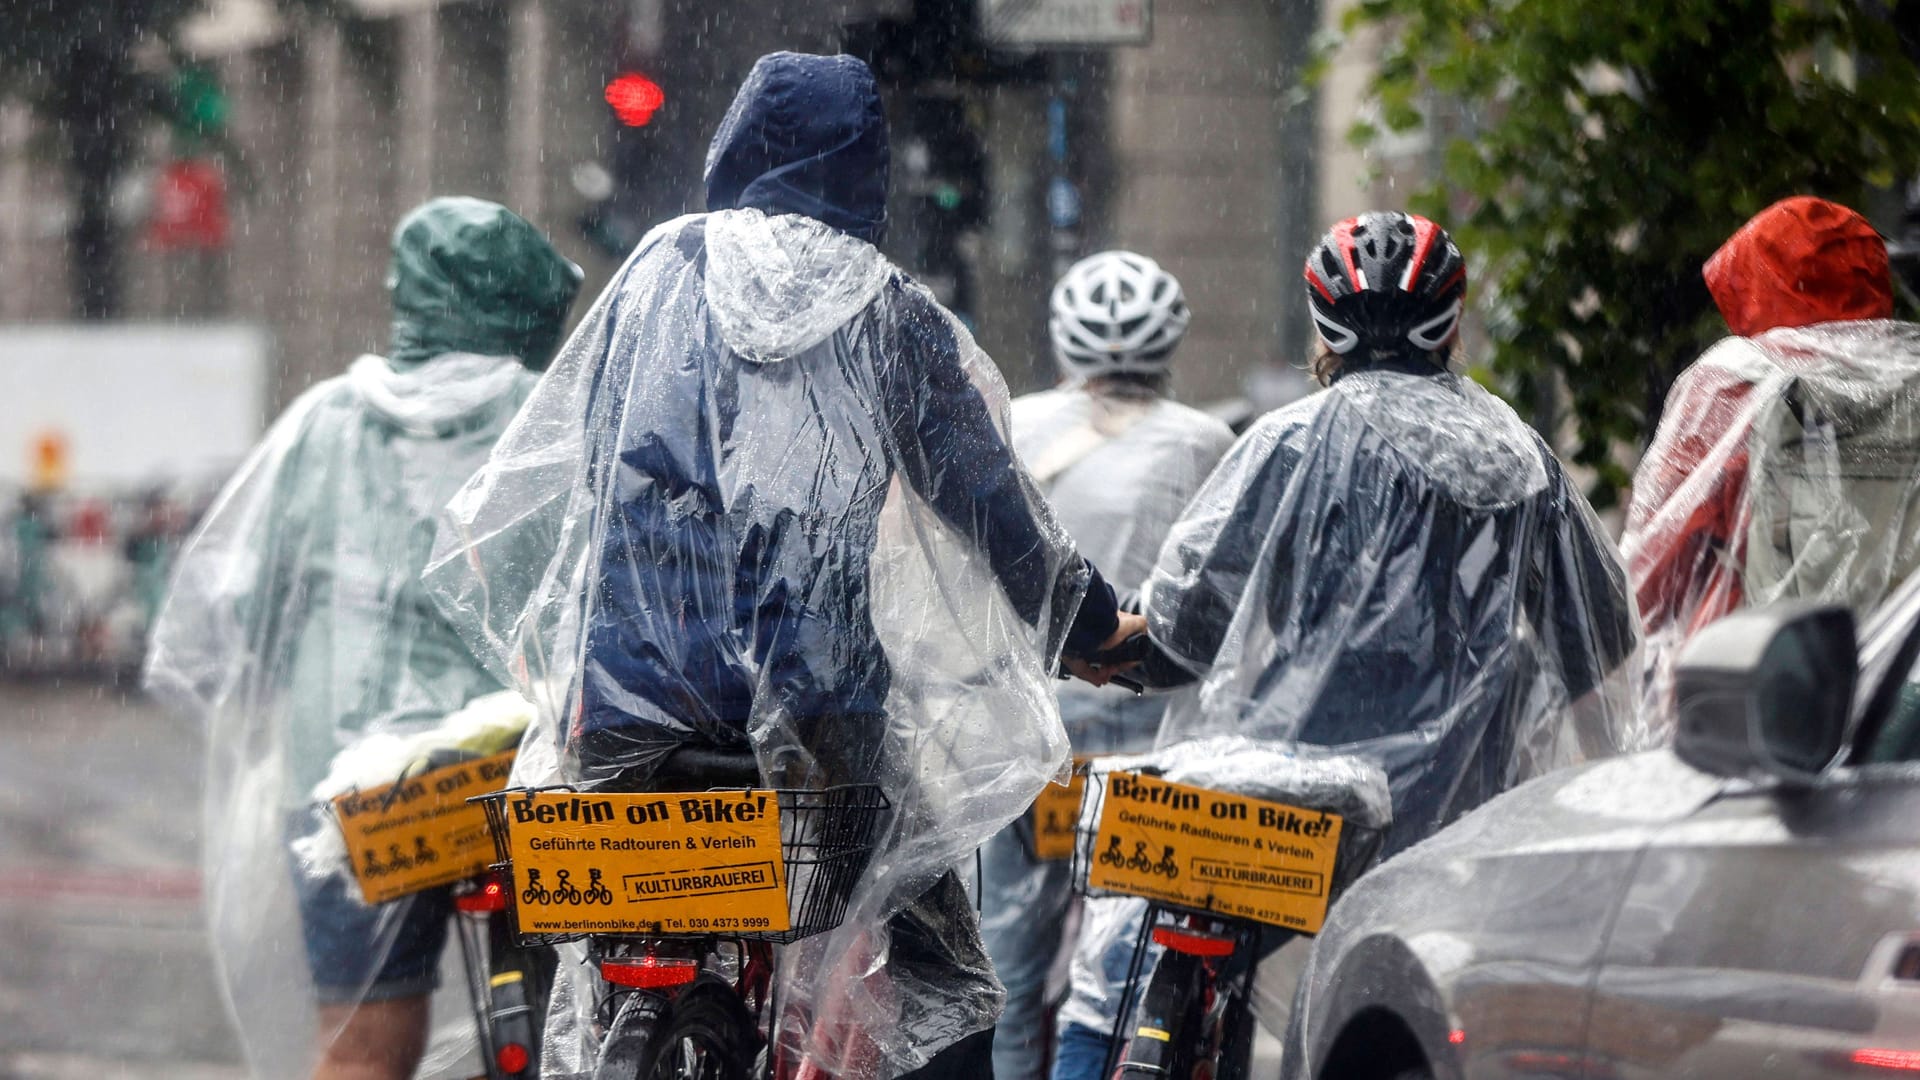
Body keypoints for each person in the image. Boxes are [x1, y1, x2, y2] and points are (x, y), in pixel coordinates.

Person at [424, 52, 1142, 1080]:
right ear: (869, 174)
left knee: (604, 937)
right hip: (817, 727)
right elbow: (990, 504)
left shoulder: (660, 272)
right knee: (943, 984)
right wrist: (1090, 628)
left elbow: (579, 456)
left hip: (630, 716)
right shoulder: (887, 311)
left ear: (734, 147)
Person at [1050, 212, 1643, 1079]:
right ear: (1452, 320)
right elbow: (1598, 643)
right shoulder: (1525, 462)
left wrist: (1107, 648)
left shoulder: (1289, 441)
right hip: (1450, 838)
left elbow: (1182, 633)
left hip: (1277, 820)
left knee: (1117, 977)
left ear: (1323, 324)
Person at [145, 197, 582, 1080]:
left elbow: (246, 598)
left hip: (353, 793)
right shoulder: (545, 422)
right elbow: (588, 587)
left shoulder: (325, 422)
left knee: (360, 1046)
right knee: (574, 1012)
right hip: (508, 771)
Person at [981, 251, 1234, 1080]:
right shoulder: (1207, 441)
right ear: (1172, 344)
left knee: (1008, 976)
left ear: (1064, 340)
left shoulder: (1012, 419)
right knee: (1121, 970)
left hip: (1023, 737)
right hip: (1144, 737)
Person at [1622, 195, 1920, 717]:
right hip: (1899, 692)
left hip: (1756, 689)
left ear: (1760, 281)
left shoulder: (1734, 384)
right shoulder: (1910, 382)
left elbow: (1650, 573)